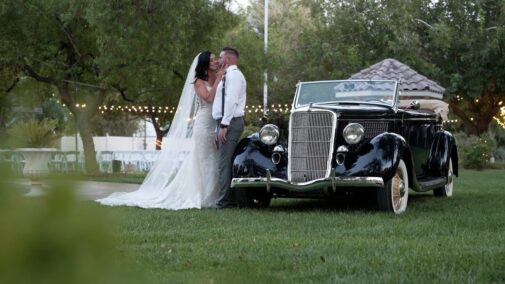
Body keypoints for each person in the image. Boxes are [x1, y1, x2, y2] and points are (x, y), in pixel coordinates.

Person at [96, 51, 224, 209]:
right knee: (205, 159)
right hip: (204, 125)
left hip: (215, 124)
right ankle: (205, 197)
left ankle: (216, 194)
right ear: (205, 63)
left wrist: (219, 76)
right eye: (211, 60)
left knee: (213, 159)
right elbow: (209, 98)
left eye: (214, 59)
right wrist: (219, 78)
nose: (215, 61)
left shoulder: (214, 78)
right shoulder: (198, 81)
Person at [212, 47, 246, 208]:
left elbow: (231, 101)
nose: (218, 61)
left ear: (229, 59)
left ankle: (225, 201)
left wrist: (224, 125)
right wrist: (216, 127)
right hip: (224, 122)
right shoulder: (226, 76)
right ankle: (229, 199)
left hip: (230, 122)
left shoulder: (235, 76)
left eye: (220, 57)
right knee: (225, 161)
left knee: (224, 163)